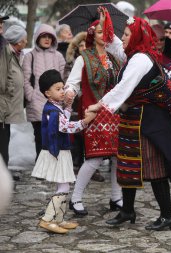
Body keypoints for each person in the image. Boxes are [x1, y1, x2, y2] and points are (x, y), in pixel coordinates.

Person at [88, 9, 171, 231]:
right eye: (123, 34)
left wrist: (98, 106)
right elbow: (115, 46)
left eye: (127, 34)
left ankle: (167, 216)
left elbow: (123, 88)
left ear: (135, 37)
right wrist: (107, 27)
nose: (123, 38)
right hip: (134, 118)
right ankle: (127, 211)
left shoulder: (141, 59)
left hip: (149, 122)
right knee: (128, 164)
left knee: (154, 169)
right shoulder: (134, 55)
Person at [64, 18, 122, 216]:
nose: (103, 36)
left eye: (106, 32)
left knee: (117, 156)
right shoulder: (83, 58)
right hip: (93, 112)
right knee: (95, 157)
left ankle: (116, 197)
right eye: (99, 32)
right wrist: (70, 91)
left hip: (114, 113)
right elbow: (73, 83)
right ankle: (76, 198)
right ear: (92, 34)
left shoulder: (115, 57)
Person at [31, 69, 96, 234]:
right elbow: (65, 126)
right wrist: (84, 121)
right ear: (47, 93)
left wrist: (67, 107)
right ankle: (47, 219)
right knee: (63, 187)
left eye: (62, 88)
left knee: (64, 185)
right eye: (58, 89)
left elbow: (64, 119)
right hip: (57, 152)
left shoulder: (55, 107)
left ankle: (58, 219)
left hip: (59, 151)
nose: (62, 92)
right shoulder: (52, 111)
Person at [22, 24, 66, 161]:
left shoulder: (58, 56)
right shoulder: (30, 56)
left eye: (50, 37)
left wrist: (61, 95)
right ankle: (40, 165)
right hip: (36, 103)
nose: (47, 39)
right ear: (37, 38)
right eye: (44, 36)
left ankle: (51, 164)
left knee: (53, 134)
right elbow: (25, 79)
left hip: (55, 103)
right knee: (40, 136)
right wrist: (31, 96)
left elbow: (64, 77)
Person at [0, 24, 27, 181]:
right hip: (4, 104)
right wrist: (10, 91)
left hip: (7, 104)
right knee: (2, 139)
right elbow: (3, 79)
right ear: (18, 41)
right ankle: (3, 174)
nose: (25, 42)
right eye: (23, 40)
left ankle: (4, 170)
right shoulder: (6, 53)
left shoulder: (13, 53)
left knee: (5, 137)